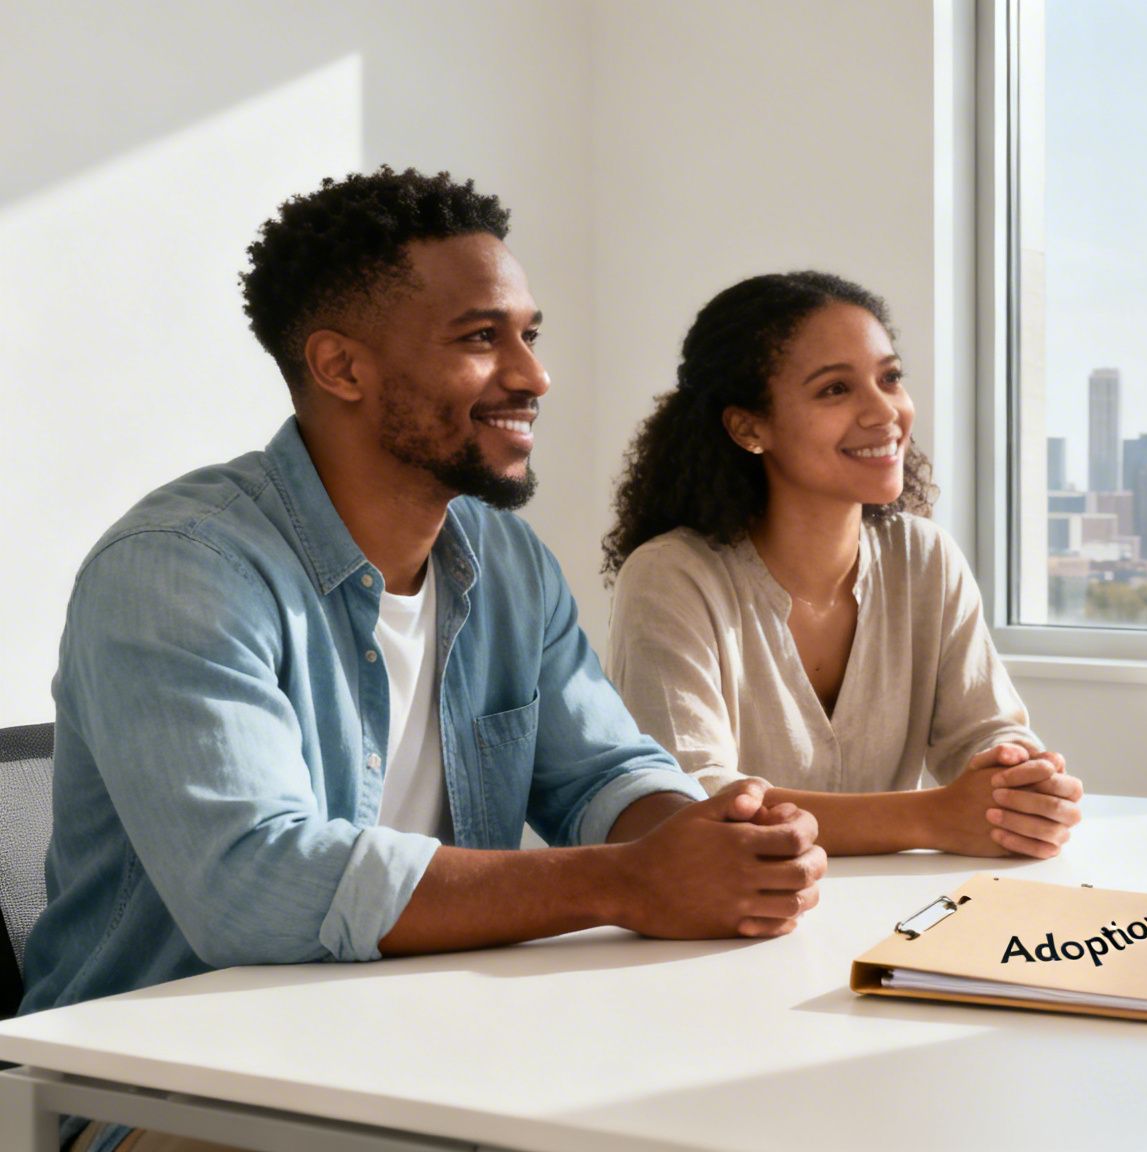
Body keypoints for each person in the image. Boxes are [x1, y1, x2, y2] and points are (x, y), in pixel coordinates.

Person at [25, 169, 825, 1152]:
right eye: (482, 339)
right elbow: (254, 882)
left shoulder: (503, 558)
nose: (532, 376)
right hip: (168, 1094)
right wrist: (628, 883)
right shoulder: (180, 570)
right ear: (341, 367)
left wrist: (706, 837)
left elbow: (602, 773)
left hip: (421, 1042)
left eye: (529, 334)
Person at [603, 272, 1082, 857]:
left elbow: (985, 732)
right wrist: (931, 818)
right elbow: (694, 804)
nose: (885, 412)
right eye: (835, 389)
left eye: (890, 378)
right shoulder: (671, 578)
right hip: (732, 935)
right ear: (748, 426)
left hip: (896, 918)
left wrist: (1021, 783)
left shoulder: (925, 558)